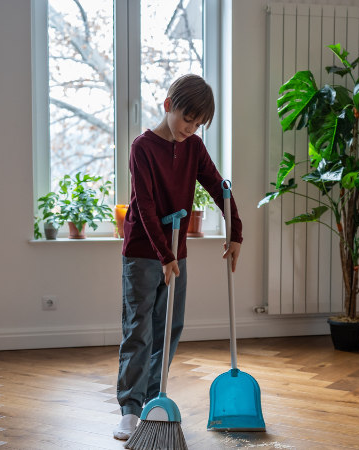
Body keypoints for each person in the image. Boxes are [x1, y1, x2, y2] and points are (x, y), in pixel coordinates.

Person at [113, 74, 244, 440]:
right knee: (138, 330)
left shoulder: (194, 149)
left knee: (169, 328)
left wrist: (236, 232)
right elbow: (148, 207)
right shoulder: (143, 148)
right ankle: (129, 409)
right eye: (188, 119)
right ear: (169, 105)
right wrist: (164, 255)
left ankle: (156, 398)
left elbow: (220, 187)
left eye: (199, 123)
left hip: (175, 254)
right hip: (143, 252)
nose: (191, 128)